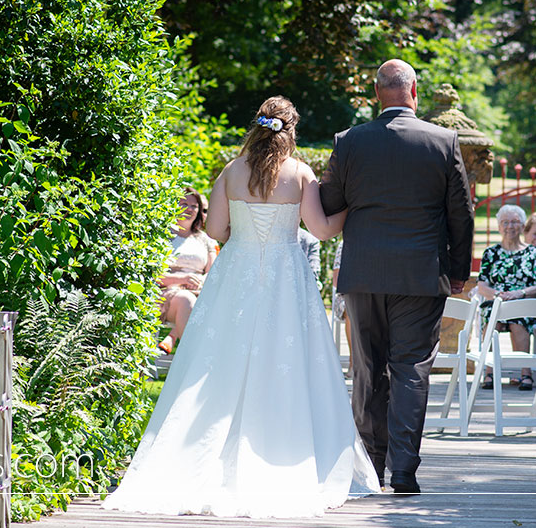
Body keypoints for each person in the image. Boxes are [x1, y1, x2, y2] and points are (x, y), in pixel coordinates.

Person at [103, 97, 379, 518]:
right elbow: (321, 230)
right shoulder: (301, 173)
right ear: (290, 130)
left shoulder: (232, 171)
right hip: (286, 277)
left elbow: (214, 230)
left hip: (237, 274)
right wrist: (350, 210)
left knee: (222, 360)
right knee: (283, 358)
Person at [320, 59, 474, 496]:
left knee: (368, 369)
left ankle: (371, 467)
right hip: (421, 274)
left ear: (376, 93)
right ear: (414, 92)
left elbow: (330, 200)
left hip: (365, 273)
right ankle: (404, 472)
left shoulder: (350, 141)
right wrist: (458, 272)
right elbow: (461, 213)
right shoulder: (444, 141)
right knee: (411, 371)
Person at [474, 204, 536, 391]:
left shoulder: (533, 253)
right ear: (499, 227)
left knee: (517, 316)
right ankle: (489, 372)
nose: (510, 226)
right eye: (505, 222)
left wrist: (519, 293)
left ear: (522, 226)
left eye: (515, 222)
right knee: (493, 315)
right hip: (496, 301)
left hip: (523, 301)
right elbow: (482, 285)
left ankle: (525, 374)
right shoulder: (490, 253)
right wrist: (497, 295)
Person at [155, 187, 217, 355]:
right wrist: (182, 279)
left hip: (199, 291)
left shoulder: (205, 239)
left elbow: (213, 273)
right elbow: (152, 276)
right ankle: (191, 358)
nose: (189, 209)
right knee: (186, 300)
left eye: (194, 206)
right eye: (183, 204)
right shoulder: (162, 236)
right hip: (168, 291)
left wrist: (201, 282)